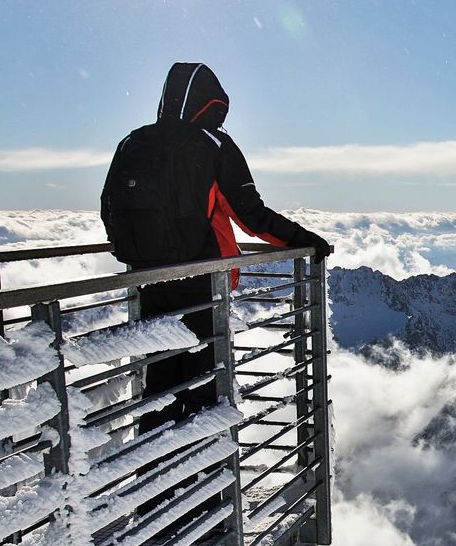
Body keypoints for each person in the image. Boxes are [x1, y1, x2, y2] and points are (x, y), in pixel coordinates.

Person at [102, 61, 331, 433]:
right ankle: (203, 481)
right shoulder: (212, 145)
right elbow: (250, 215)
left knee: (160, 385)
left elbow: (108, 209)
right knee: (203, 385)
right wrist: (303, 239)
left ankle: (155, 479)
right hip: (202, 282)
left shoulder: (132, 142)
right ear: (210, 106)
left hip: (148, 280)